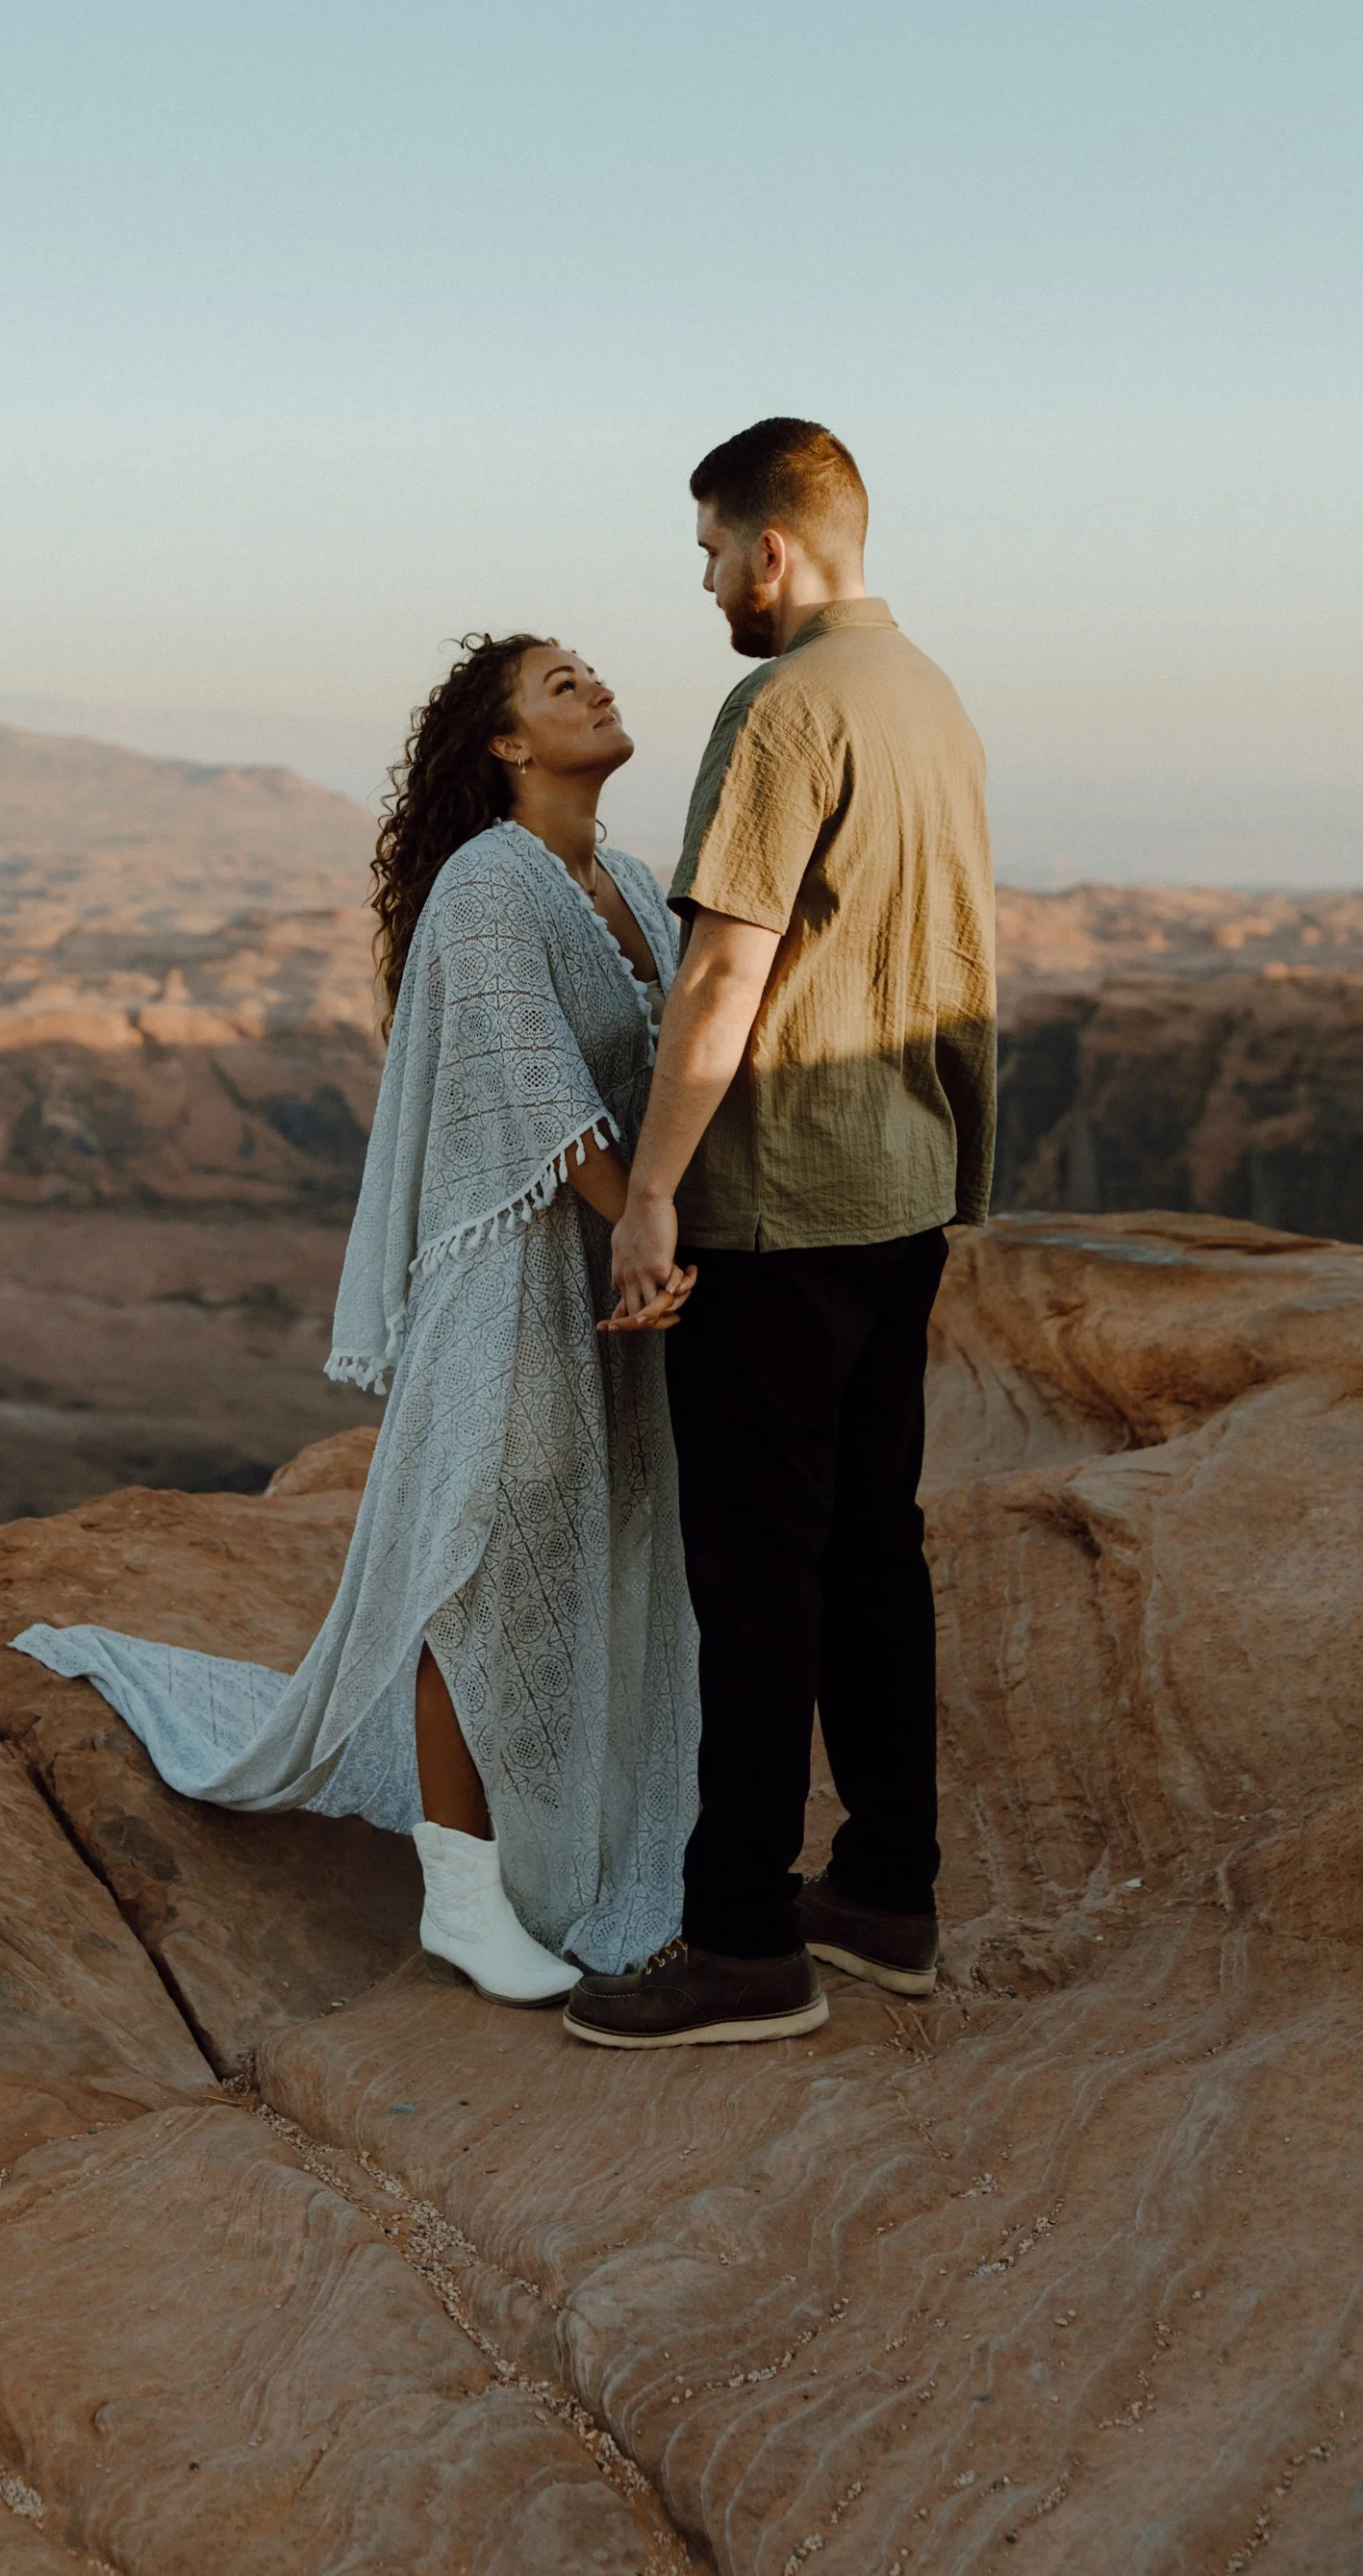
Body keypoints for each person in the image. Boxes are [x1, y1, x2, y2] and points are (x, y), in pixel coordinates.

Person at [13, 634, 700, 2001]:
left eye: (590, 673)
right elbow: (541, 1097)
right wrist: (643, 1234)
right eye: (559, 685)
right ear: (506, 746)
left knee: (607, 1556)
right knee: (477, 1566)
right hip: (513, 1289)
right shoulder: (487, 879)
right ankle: (461, 1892)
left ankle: (597, 1848)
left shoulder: (626, 880)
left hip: (609, 1278)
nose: (596, 688)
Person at [561, 418, 995, 2054]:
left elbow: (726, 972)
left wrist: (656, 1187)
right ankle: (888, 1893)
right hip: (899, 1189)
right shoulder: (929, 697)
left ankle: (743, 1940)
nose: (706, 588)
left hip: (779, 1201)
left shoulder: (784, 705)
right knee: (873, 1548)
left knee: (755, 1572)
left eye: (707, 556)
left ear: (770, 550)